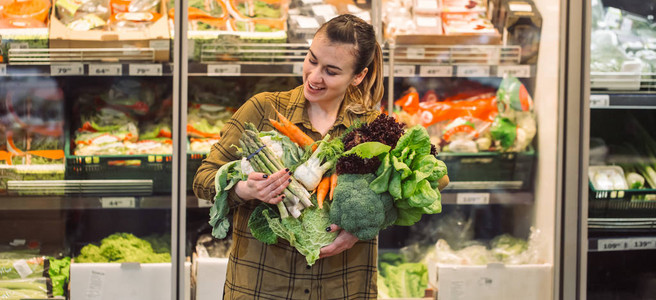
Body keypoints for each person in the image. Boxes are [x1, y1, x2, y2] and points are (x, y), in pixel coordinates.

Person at [194, 14, 384, 299]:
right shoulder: (263, 109)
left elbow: (420, 186)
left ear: (358, 76)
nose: (314, 77)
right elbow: (203, 179)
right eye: (312, 60)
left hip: (341, 285)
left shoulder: (371, 127)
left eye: (331, 71)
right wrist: (245, 189)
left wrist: (362, 224)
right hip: (263, 284)